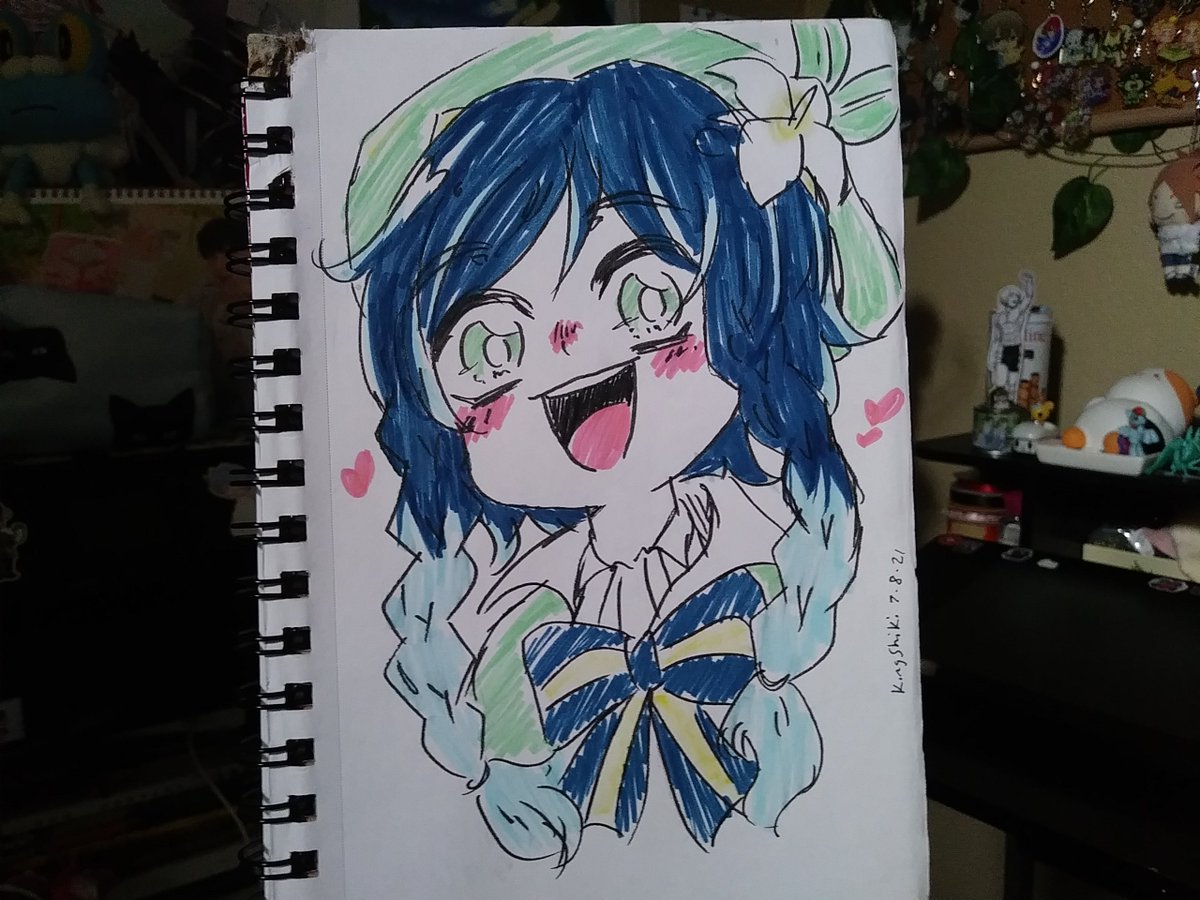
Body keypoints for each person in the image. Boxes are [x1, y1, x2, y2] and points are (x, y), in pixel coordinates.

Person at [339, 34, 899, 865]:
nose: (569, 348)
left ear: (744, 295)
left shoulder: (773, 554)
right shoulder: (513, 615)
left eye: (645, 294)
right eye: (489, 346)